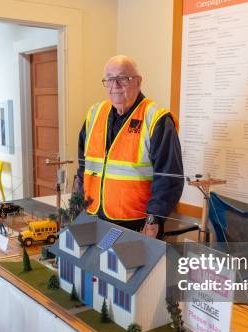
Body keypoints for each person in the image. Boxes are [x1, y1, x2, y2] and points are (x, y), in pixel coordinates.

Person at [76, 55, 184, 238]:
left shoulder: (156, 120)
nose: (115, 86)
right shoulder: (95, 114)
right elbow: (83, 168)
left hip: (138, 226)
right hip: (95, 218)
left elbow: (169, 177)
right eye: (110, 79)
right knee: (98, 266)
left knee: (134, 267)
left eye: (123, 79)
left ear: (138, 82)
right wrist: (78, 205)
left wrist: (153, 221)